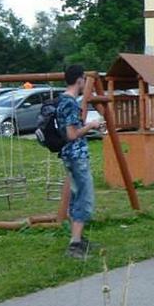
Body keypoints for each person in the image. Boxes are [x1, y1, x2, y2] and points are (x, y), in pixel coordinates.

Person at [56, 65, 103, 259]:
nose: (84, 83)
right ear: (79, 80)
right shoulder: (70, 103)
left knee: (77, 197)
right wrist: (91, 125)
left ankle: (78, 239)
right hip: (76, 156)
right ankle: (74, 245)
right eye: (83, 79)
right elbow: (72, 134)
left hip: (69, 155)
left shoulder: (62, 101)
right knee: (84, 198)